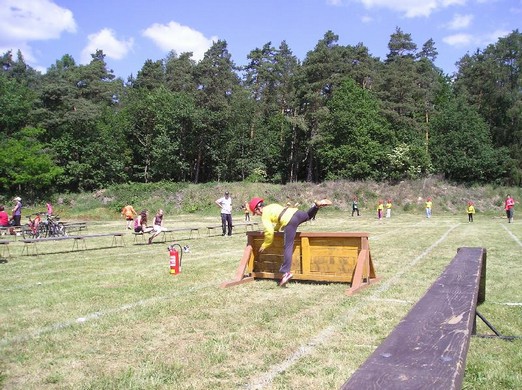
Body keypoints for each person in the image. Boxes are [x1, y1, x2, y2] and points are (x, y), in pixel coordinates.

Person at [249, 197, 332, 287]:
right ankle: (316, 206)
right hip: (296, 213)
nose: (256, 215)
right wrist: (276, 229)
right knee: (308, 216)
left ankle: (286, 273)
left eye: (255, 212)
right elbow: (279, 218)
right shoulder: (272, 206)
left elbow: (269, 232)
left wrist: (266, 244)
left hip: (290, 221)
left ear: (258, 208)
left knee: (288, 246)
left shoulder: (265, 215)